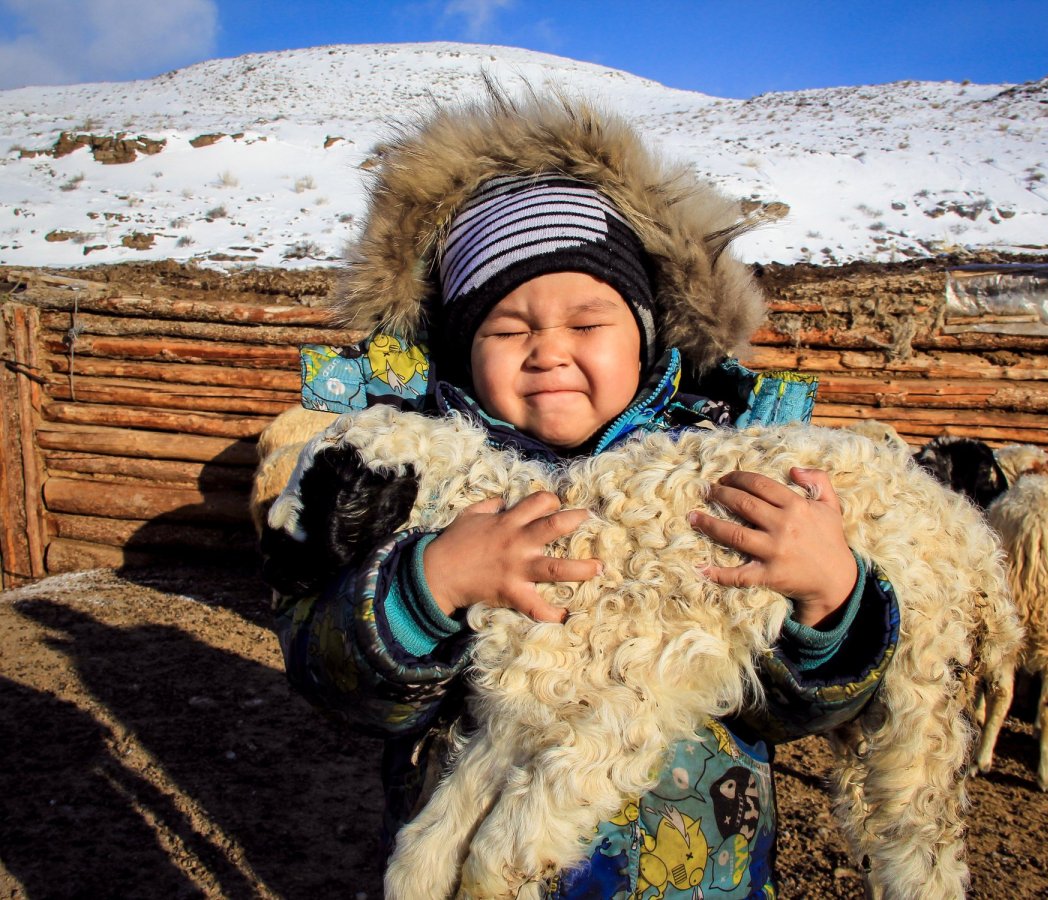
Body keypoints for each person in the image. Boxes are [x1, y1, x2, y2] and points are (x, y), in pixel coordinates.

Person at [263, 87, 900, 899]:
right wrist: (428, 587)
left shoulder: (728, 482)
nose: (548, 352)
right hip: (478, 867)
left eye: (589, 322)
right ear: (462, 348)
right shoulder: (404, 481)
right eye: (509, 327)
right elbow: (328, 675)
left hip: (693, 873)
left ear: (645, 332)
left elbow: (793, 712)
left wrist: (828, 597)